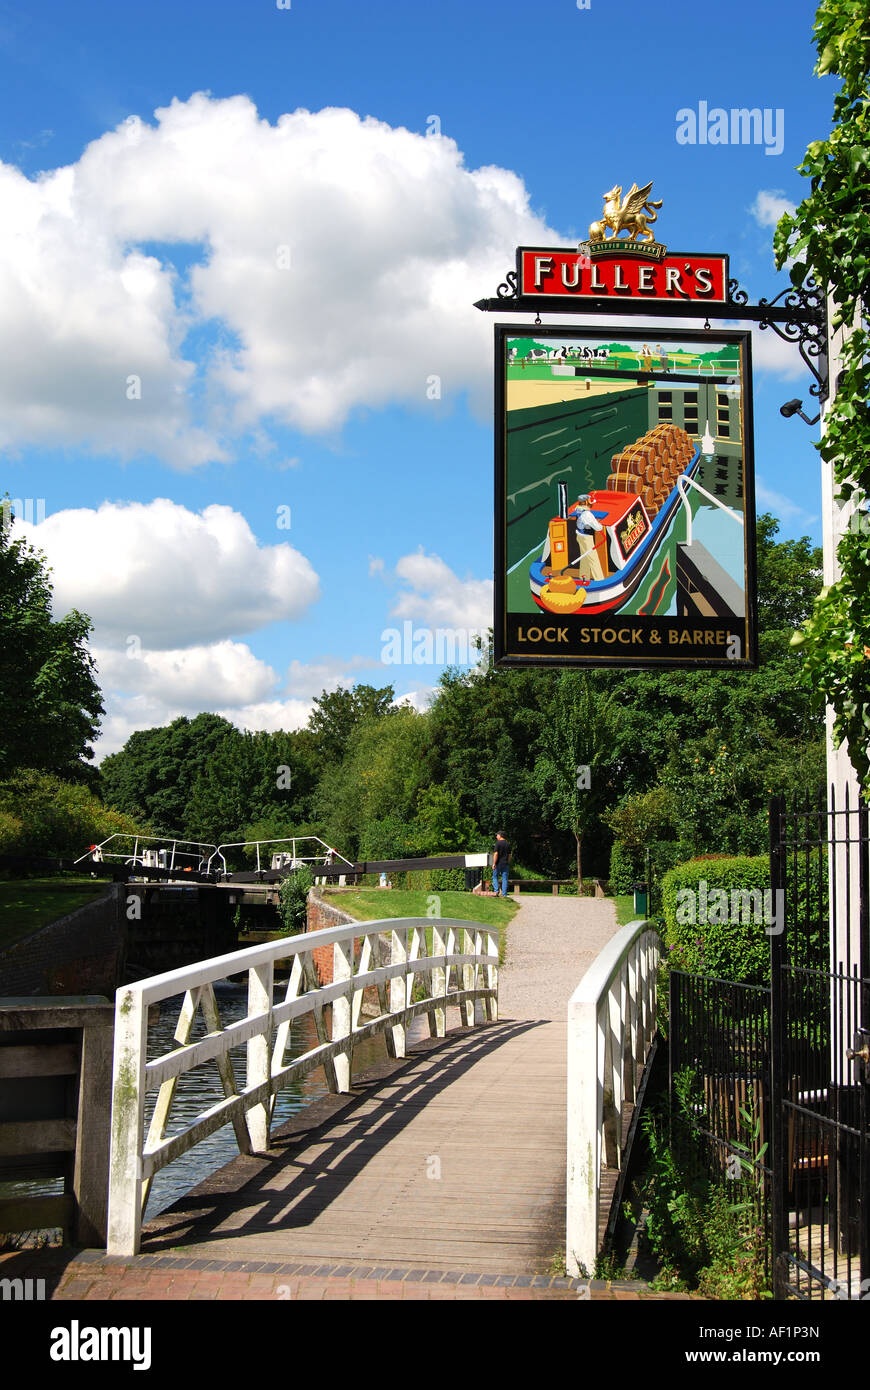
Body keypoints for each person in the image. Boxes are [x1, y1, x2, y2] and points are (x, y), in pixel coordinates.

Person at [492, 832, 511, 897]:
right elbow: (509, 855)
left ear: (500, 835)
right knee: (505, 879)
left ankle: (496, 891)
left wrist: (494, 863)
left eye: (497, 835)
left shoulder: (498, 843)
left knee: (495, 877)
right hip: (505, 864)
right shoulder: (508, 844)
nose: (496, 837)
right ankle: (504, 894)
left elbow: (496, 854)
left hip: (498, 864)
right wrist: (508, 862)